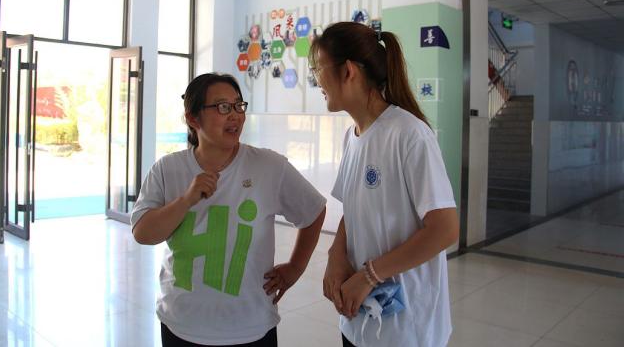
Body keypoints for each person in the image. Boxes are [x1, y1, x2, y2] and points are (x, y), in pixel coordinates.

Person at [132, 73, 326, 347]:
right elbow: (142, 233)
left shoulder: (269, 166)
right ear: (193, 118)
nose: (235, 115)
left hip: (251, 325)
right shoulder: (167, 169)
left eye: (238, 105)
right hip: (181, 323)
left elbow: (313, 211)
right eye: (223, 107)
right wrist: (186, 200)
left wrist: (295, 267)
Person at [309, 22, 459, 347]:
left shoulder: (409, 134)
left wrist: (370, 275)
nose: (316, 80)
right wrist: (336, 255)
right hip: (359, 318)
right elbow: (354, 211)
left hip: (407, 329)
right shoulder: (352, 137)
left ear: (348, 71)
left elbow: (445, 229)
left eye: (318, 68)